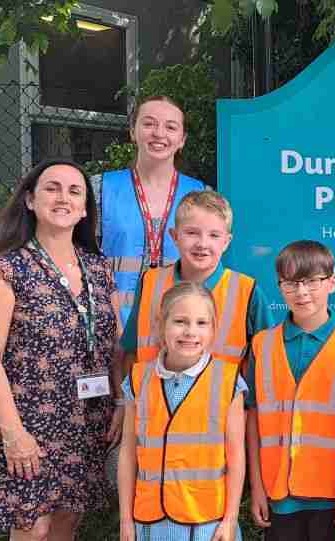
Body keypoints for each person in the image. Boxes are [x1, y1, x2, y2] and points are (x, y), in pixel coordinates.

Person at [0, 159, 119, 540]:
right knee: (34, 527)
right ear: (30, 200)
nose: (63, 197)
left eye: (74, 191)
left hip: (85, 419)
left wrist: (122, 402)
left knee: (66, 521)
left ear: (84, 210)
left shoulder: (99, 268)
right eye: (52, 188)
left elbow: (113, 344)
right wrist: (12, 432)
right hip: (27, 420)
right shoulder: (7, 268)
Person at [243, 240, 335, 540]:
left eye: (311, 281)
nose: (302, 292)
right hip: (279, 495)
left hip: (334, 495)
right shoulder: (262, 344)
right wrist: (257, 487)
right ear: (279, 286)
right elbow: (254, 421)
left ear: (332, 282)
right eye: (291, 283)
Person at [117, 282, 247, 541]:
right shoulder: (138, 377)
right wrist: (126, 519)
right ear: (160, 324)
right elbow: (128, 452)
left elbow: (236, 457)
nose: (190, 332)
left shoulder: (229, 380)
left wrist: (230, 519)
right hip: (150, 523)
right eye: (180, 321)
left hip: (207, 524)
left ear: (213, 329)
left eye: (201, 323)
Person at [119, 190, 275, 369]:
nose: (202, 243)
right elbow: (131, 353)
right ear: (175, 236)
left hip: (223, 397)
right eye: (192, 233)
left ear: (226, 242)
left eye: (214, 235)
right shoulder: (150, 283)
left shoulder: (248, 292)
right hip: (153, 396)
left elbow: (267, 363)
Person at [102, 95, 207, 327]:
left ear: (182, 140)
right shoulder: (99, 189)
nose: (159, 133)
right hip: (110, 324)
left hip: (179, 325)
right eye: (149, 124)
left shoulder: (202, 195)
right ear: (133, 131)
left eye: (171, 127)